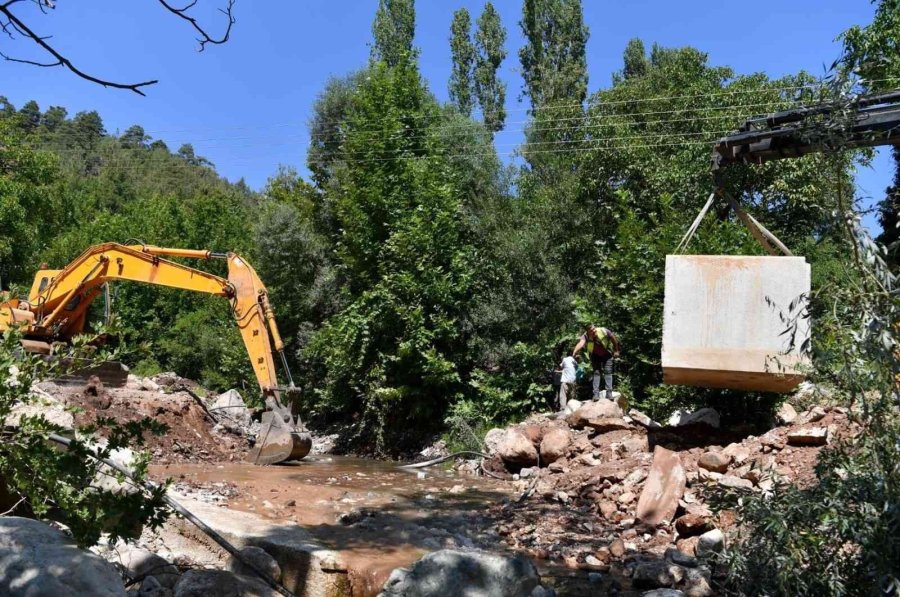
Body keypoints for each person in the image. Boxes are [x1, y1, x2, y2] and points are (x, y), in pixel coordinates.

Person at [572, 324, 620, 400]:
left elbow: (613, 338)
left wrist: (616, 350)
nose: (594, 331)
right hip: (595, 355)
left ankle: (609, 394)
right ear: (588, 332)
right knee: (596, 373)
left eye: (594, 328)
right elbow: (581, 343)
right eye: (591, 331)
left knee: (608, 372)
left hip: (607, 354)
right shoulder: (585, 336)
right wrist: (574, 352)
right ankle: (596, 395)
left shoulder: (603, 331)